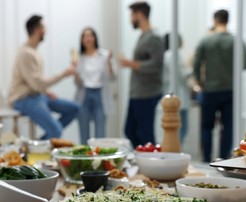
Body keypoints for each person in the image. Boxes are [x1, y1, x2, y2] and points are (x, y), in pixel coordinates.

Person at [8, 15, 79, 140]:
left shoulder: (34, 52)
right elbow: (36, 83)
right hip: (23, 98)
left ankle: (43, 142)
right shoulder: (26, 53)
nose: (45, 32)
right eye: (44, 28)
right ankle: (39, 147)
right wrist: (63, 74)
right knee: (56, 130)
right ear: (37, 30)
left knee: (74, 109)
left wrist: (47, 92)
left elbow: (35, 82)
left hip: (37, 95)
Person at [193, 10, 245, 162]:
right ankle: (223, 159)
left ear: (215, 20)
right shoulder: (236, 41)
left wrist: (199, 81)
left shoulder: (206, 40)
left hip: (210, 89)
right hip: (230, 89)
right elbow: (243, 64)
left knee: (206, 127)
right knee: (227, 127)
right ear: (227, 21)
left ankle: (206, 159)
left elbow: (197, 63)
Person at [119, 1, 164, 148]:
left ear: (140, 15)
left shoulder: (154, 38)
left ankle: (153, 164)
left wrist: (130, 63)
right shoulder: (143, 36)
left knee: (146, 134)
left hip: (147, 93)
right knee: (130, 130)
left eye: (132, 15)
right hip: (137, 93)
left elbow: (157, 65)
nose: (130, 19)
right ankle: (143, 159)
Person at [74, 27, 116, 144]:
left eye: (90, 35)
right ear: (82, 40)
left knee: (100, 133)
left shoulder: (104, 55)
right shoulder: (79, 57)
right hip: (84, 94)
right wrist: (74, 72)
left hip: (100, 94)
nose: (88, 39)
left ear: (95, 38)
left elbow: (113, 77)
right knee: (84, 132)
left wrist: (110, 63)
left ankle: (99, 159)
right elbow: (77, 83)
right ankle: (84, 158)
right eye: (85, 36)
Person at [162, 33, 191, 145]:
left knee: (173, 129)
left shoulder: (166, 55)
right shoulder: (174, 55)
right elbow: (183, 74)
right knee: (181, 129)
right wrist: (190, 63)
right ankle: (176, 150)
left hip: (170, 95)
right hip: (179, 97)